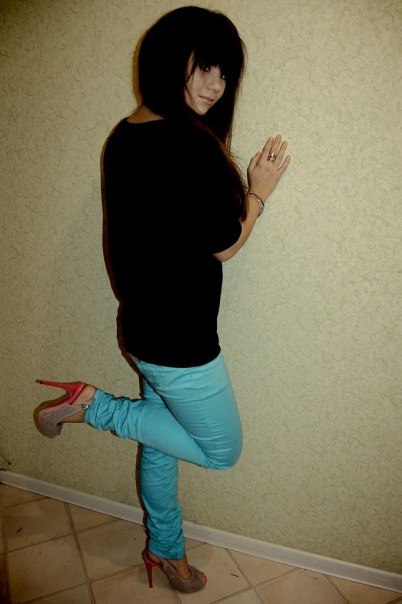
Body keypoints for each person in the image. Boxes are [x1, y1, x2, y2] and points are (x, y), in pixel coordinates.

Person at [33, 6, 290, 594]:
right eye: (203, 68)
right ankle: (92, 407)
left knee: (159, 443)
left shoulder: (125, 134)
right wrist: (259, 192)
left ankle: (165, 550)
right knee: (221, 452)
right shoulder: (189, 144)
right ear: (169, 60)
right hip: (180, 343)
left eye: (224, 74)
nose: (214, 86)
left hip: (144, 331)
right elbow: (226, 245)